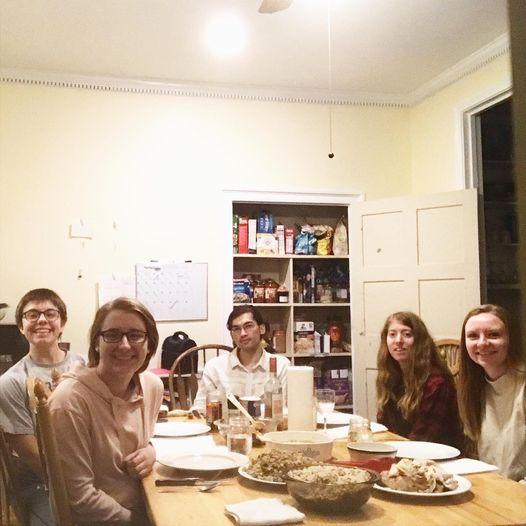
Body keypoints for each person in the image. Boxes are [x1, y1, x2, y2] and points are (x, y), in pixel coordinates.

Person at [48, 297, 163, 524]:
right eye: (112, 335)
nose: (124, 345)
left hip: (148, 502)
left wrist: (151, 451)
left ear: (149, 344)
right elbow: (80, 498)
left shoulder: (152, 386)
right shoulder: (69, 402)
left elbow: (147, 439)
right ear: (96, 343)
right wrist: (143, 522)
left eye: (135, 335)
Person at [0, 288, 84, 526]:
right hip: (40, 480)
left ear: (62, 323)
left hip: (88, 466)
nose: (42, 320)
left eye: (50, 313)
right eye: (32, 315)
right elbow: (31, 455)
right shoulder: (11, 381)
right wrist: (78, 486)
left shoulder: (84, 366)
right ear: (21, 326)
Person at [457, 304, 526, 481]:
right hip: (492, 486)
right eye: (473, 336)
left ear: (511, 339)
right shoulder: (473, 388)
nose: (482, 343)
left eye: (493, 334)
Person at [376, 311, 461, 448]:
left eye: (407, 334)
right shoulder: (389, 376)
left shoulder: (437, 383)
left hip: (434, 456)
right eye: (392, 334)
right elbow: (384, 429)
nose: (398, 340)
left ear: (420, 341)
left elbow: (422, 440)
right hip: (400, 450)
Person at [193, 305, 289, 412]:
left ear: (262, 329)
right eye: (236, 329)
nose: (243, 333)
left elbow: (287, 410)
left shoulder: (281, 365)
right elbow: (199, 410)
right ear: (231, 335)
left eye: (248, 326)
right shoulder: (215, 367)